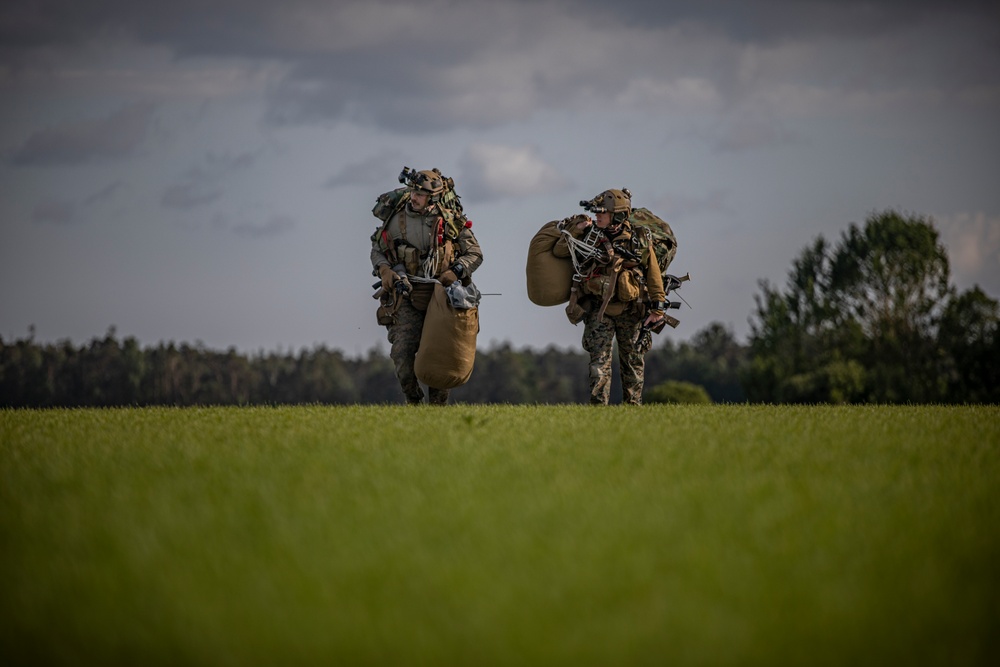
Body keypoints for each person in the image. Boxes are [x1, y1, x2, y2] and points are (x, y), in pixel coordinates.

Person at [370, 168, 484, 405]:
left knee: (440, 357)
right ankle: (413, 402)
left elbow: (475, 253)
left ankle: (436, 413)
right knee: (401, 354)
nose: (414, 197)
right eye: (413, 191)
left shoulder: (451, 222)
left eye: (420, 194)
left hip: (442, 298)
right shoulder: (394, 219)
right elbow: (377, 250)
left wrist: (456, 271)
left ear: (432, 198)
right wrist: (386, 271)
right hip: (407, 296)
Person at [553, 188, 666, 405]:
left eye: (601, 213)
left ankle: (633, 409)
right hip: (598, 310)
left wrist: (657, 310)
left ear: (618, 215)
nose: (597, 216)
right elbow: (560, 251)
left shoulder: (639, 238)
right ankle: (599, 411)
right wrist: (576, 231)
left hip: (631, 310)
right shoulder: (589, 235)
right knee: (598, 363)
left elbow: (653, 274)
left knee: (633, 363)